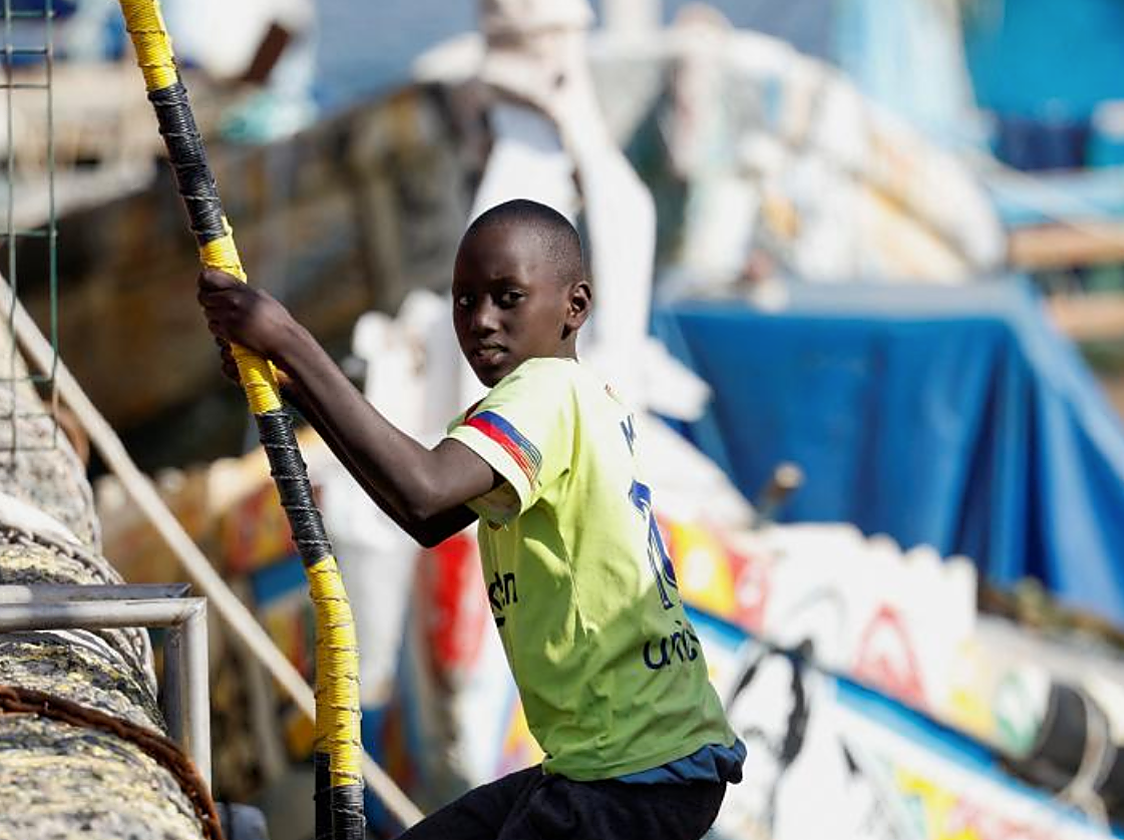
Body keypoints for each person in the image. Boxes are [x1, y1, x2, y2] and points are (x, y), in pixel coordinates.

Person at [198, 198, 745, 840]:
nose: (481, 321)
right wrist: (290, 384)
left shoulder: (544, 395)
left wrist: (288, 339)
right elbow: (424, 518)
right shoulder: (564, 400)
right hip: (623, 761)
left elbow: (424, 490)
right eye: (464, 301)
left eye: (507, 298)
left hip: (633, 772)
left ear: (575, 307)